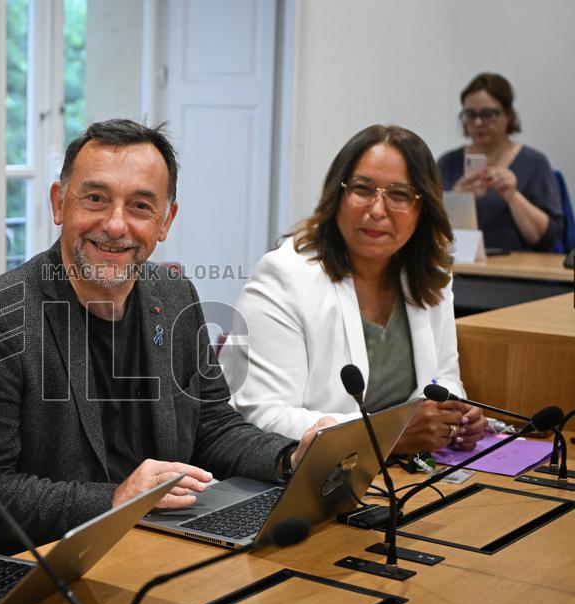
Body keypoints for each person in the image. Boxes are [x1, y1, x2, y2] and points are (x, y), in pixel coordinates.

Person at [0, 119, 323, 555]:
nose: (116, 225)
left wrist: (289, 458)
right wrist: (114, 501)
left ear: (165, 221)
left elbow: (210, 426)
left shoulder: (175, 296)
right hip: (52, 564)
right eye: (96, 199)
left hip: (164, 545)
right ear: (59, 203)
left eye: (140, 206)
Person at [221, 125, 486, 454]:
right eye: (363, 189)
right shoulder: (284, 276)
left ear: (423, 209)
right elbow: (262, 415)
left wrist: (454, 414)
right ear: (338, 195)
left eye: (399, 195)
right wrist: (388, 435)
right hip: (296, 476)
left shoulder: (431, 275)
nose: (377, 210)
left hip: (398, 475)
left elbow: (444, 377)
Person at [437, 73, 563, 251]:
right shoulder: (447, 162)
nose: (478, 122)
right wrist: (457, 199)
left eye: (488, 114)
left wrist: (512, 196)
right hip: (459, 268)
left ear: (508, 115)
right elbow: (427, 229)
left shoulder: (534, 163)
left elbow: (547, 237)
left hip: (517, 272)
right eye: (470, 115)